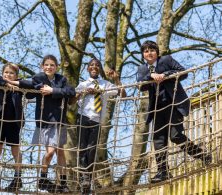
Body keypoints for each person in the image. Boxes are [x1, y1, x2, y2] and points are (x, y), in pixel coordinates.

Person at [137, 40, 212, 183]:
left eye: (152, 50)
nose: (149, 53)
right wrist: (151, 76)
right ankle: (163, 172)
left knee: (175, 136)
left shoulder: (166, 60)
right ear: (143, 55)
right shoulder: (143, 69)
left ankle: (201, 154)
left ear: (157, 52)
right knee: (158, 141)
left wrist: (164, 74)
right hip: (157, 108)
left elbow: (183, 72)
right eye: (146, 51)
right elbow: (140, 85)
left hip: (173, 104)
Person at [6, 55, 76, 193]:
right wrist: (10, 82)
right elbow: (28, 84)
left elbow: (71, 91)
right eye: (47, 65)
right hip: (45, 121)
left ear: (57, 67)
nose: (49, 67)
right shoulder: (39, 77)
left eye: (52, 65)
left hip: (59, 120)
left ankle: (63, 182)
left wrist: (52, 90)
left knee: (60, 152)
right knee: (50, 152)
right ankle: (43, 177)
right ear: (42, 66)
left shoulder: (61, 79)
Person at [74, 58, 125, 193]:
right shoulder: (83, 84)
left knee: (92, 150)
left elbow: (122, 94)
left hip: (97, 120)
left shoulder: (106, 85)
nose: (94, 67)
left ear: (100, 69)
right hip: (83, 117)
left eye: (97, 65)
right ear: (88, 68)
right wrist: (83, 92)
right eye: (91, 65)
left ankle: (87, 180)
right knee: (82, 149)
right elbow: (71, 101)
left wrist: (116, 79)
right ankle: (83, 178)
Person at [0, 63, 24, 192]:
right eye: (6, 73)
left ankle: (17, 177)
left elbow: (30, 84)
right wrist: (5, 83)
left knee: (15, 149)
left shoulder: (20, 84)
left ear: (16, 75)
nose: (8, 75)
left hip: (13, 121)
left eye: (11, 73)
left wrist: (12, 84)